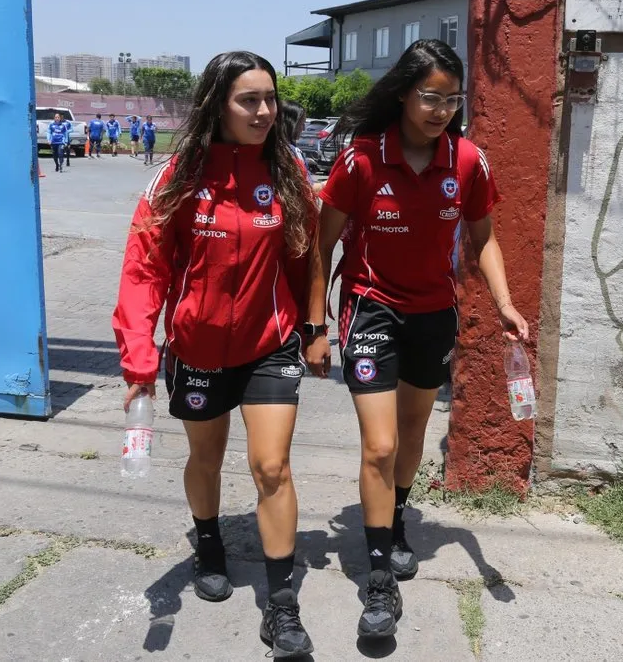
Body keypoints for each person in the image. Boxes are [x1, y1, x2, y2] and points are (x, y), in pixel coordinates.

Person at [303, 39, 531, 639]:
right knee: (378, 445)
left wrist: (505, 303)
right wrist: (317, 326)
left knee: (411, 434)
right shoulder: (361, 160)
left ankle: (396, 516)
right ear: (404, 94)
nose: (440, 110)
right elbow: (321, 245)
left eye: (452, 100)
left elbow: (482, 240)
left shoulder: (467, 161)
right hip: (370, 310)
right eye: (430, 97)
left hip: (433, 315)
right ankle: (378, 581)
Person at [112, 50, 323, 659]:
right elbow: (143, 270)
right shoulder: (178, 176)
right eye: (248, 100)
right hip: (197, 347)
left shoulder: (287, 172)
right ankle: (209, 543)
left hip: (268, 344)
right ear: (218, 105)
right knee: (205, 459)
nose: (263, 111)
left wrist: (314, 327)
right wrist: (139, 360)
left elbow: (306, 257)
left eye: (269, 99)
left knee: (272, 467)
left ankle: (282, 608)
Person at [279, 100, 325, 194]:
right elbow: (306, 189)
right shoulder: (291, 152)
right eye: (301, 123)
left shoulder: (272, 148)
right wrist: (327, 184)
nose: (303, 128)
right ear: (291, 123)